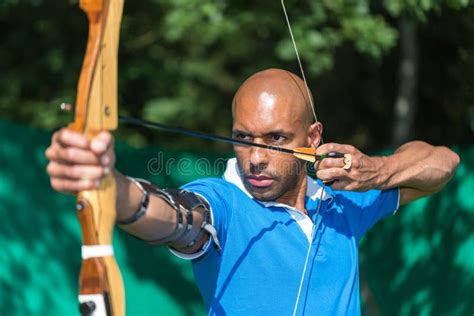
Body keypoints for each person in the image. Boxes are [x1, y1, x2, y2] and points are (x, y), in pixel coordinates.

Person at [45, 68, 459, 315]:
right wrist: (108, 186)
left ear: (312, 137)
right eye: (243, 138)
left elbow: (443, 163)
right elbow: (174, 216)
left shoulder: (343, 199)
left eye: (275, 138)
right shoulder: (223, 202)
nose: (255, 157)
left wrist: (380, 171)